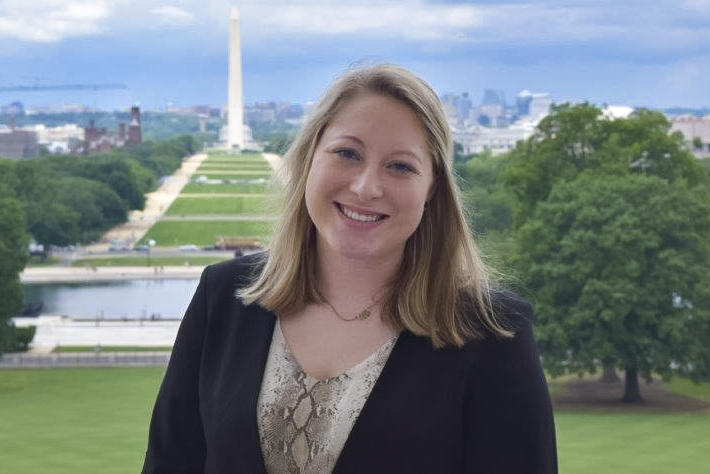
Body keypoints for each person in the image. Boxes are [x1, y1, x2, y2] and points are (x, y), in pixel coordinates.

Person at [143, 63, 557, 473]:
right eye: (347, 153)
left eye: (400, 166)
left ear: (431, 188)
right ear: (309, 159)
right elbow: (169, 463)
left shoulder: (492, 333)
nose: (366, 187)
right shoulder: (224, 295)